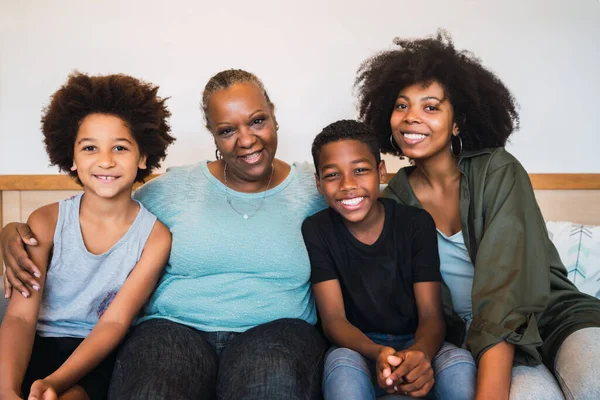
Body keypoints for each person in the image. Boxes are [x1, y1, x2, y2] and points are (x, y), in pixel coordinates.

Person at [2, 69, 328, 400]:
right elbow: (108, 209)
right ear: (212, 135)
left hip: (278, 333)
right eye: (227, 130)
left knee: (272, 389)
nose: (245, 139)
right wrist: (11, 231)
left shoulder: (316, 189)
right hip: (172, 331)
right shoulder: (171, 190)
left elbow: (370, 218)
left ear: (273, 114)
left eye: (257, 121)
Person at [354, 30, 600, 399]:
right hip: (476, 342)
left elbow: (506, 295)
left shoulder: (498, 172)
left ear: (457, 123)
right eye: (402, 105)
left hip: (553, 318)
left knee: (593, 380)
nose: (411, 118)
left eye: (431, 106)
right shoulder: (393, 203)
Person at [0, 72, 174, 400]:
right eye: (90, 147)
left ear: (142, 157)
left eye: (120, 147)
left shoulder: (155, 237)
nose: (105, 160)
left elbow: (114, 323)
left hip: (98, 353)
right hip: (35, 344)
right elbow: (21, 317)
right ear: (72, 158)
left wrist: (56, 382)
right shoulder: (47, 221)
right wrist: (7, 390)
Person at [302, 119, 476, 400]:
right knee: (341, 371)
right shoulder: (317, 229)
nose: (348, 185)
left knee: (459, 365)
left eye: (360, 170)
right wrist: (378, 353)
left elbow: (431, 314)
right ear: (319, 183)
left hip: (419, 341)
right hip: (358, 348)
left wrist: (419, 354)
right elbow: (333, 319)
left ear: (381, 171)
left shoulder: (415, 223)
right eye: (332, 175)